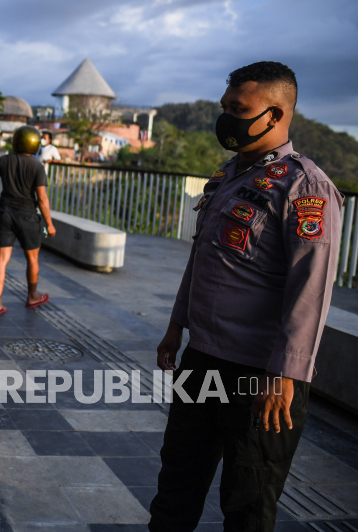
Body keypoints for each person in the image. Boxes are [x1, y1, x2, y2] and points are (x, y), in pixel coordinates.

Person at [149, 62, 341, 532]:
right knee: (176, 483)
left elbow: (310, 288)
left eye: (240, 109)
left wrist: (285, 374)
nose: (227, 117)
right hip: (203, 360)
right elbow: (203, 259)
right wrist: (177, 325)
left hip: (262, 375)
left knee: (248, 502)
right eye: (226, 107)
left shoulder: (305, 187)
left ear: (275, 115)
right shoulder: (230, 175)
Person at [0, 125, 56, 316]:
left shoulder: (4, 160)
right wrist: (49, 224)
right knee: (32, 259)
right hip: (28, 216)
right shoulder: (37, 166)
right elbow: (42, 198)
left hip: (5, 213)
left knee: (1, 261)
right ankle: (32, 296)